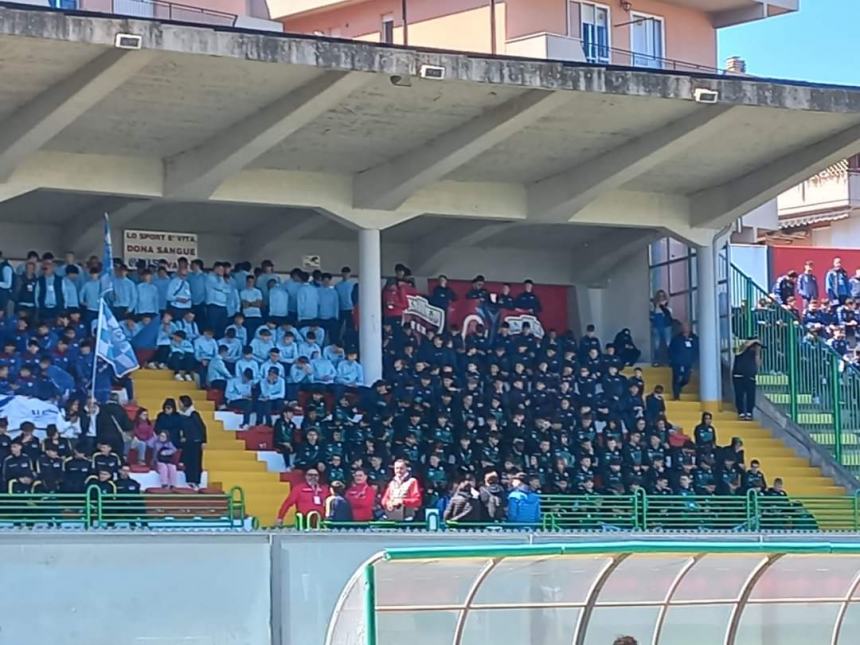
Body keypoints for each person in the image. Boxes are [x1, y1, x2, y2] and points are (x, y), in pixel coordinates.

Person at [178, 395, 206, 489]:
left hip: (196, 441)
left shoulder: (194, 414)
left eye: (180, 402)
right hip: (188, 442)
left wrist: (203, 441)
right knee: (188, 462)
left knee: (196, 462)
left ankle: (196, 481)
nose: (179, 404)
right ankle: (189, 480)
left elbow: (202, 427)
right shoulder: (181, 415)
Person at [732, 338, 762, 420]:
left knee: (751, 395)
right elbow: (743, 347)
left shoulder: (754, 353)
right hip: (739, 375)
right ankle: (741, 412)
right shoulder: (741, 349)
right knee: (739, 394)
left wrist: (757, 353)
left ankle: (749, 412)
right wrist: (755, 341)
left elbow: (758, 364)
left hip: (750, 376)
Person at [668, 323, 698, 400]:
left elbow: (697, 350)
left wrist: (694, 360)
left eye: (686, 327)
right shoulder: (676, 338)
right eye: (683, 327)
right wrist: (672, 359)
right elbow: (671, 349)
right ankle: (676, 396)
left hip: (688, 362)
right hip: (677, 362)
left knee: (686, 379)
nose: (685, 328)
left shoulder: (694, 338)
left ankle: (679, 386)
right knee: (676, 378)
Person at [649, 290, 673, 365]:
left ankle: (669, 360)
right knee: (656, 344)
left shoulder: (668, 309)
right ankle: (656, 361)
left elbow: (668, 316)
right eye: (659, 297)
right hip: (657, 327)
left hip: (666, 327)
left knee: (668, 344)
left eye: (663, 296)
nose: (661, 298)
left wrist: (662, 306)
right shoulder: (654, 309)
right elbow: (651, 318)